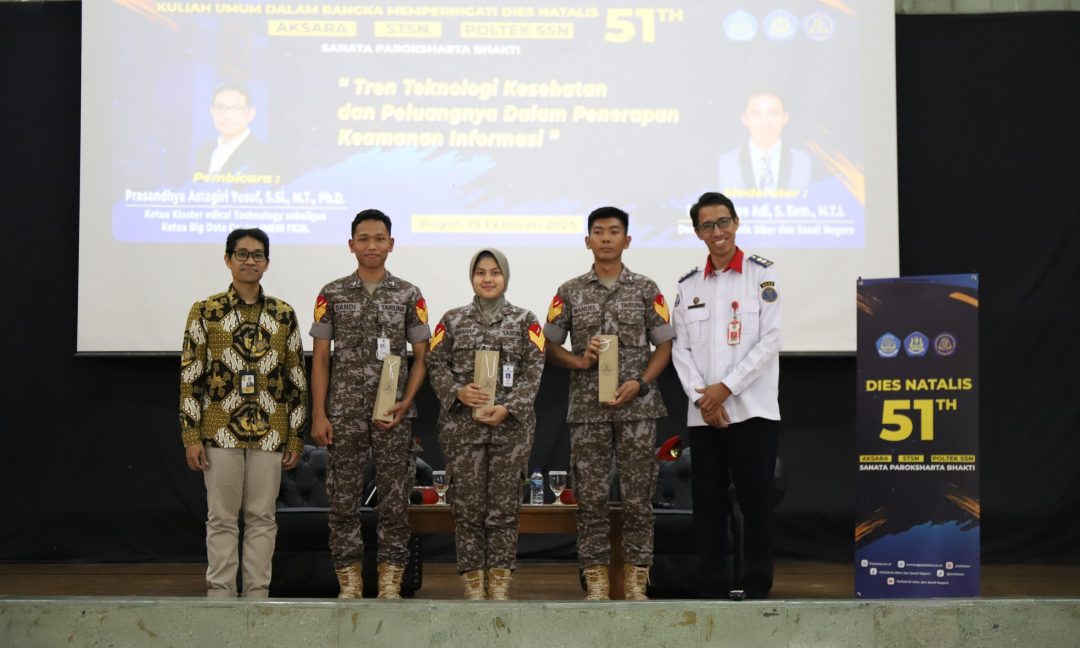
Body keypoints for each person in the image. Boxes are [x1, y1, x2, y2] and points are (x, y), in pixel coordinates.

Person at [543, 206, 674, 601]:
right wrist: (580, 360)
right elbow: (548, 345)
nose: (605, 238)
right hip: (588, 411)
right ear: (587, 241)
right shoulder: (569, 291)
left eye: (613, 232)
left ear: (626, 240)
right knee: (591, 500)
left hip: (638, 410)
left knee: (638, 501)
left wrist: (641, 382)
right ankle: (596, 580)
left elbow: (665, 344)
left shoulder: (647, 289)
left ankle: (637, 580)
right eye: (597, 232)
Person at [179, 227, 307, 598]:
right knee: (221, 518)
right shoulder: (206, 311)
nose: (250, 260)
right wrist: (191, 435)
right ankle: (220, 594)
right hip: (219, 431)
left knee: (263, 518)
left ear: (267, 262)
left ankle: (257, 595)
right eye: (242, 254)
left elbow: (296, 377)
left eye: (257, 255)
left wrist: (295, 435)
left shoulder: (283, 314)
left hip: (270, 433)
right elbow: (190, 378)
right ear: (227, 259)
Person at [309, 209, 431, 599]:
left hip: (393, 415)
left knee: (394, 502)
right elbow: (322, 358)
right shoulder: (330, 293)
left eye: (379, 238)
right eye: (363, 238)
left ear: (391, 244)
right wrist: (319, 412)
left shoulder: (410, 294)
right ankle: (349, 581)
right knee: (342, 502)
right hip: (343, 414)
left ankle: (391, 581)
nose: (371, 245)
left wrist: (406, 401)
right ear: (351, 245)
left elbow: (421, 357)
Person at [671, 191, 781, 599]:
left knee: (755, 504)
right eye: (707, 226)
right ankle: (712, 584)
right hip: (704, 415)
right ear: (698, 233)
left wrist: (726, 390)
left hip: (753, 411)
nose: (716, 232)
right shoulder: (688, 286)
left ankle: (755, 586)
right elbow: (679, 349)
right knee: (708, 505)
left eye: (723, 223)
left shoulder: (762, 276)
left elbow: (768, 342)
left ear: (735, 223)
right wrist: (705, 400)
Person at [426, 249, 546, 600]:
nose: (488, 278)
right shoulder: (451, 320)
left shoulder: (527, 321)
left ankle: (500, 583)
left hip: (510, 430)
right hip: (462, 430)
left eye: (495, 272)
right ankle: (474, 584)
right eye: (481, 272)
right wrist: (457, 391)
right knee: (467, 510)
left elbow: (534, 370)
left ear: (505, 277)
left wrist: (509, 407)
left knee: (504, 510)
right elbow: (435, 364)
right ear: (472, 277)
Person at [718, 91, 811, 192]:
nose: (765, 123)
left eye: (773, 114)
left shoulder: (803, 162)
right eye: (756, 114)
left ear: (785, 118)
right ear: (745, 119)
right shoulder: (727, 163)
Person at [195, 83, 275, 177]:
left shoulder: (264, 156)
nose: (228, 115)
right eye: (220, 107)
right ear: (212, 112)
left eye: (237, 108)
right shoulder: (204, 151)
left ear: (250, 114)